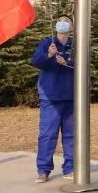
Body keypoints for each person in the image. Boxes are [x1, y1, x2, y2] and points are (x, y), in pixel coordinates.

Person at [29, 14, 75, 183]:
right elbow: (36, 62)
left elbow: (84, 65)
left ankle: (71, 168)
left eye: (66, 21)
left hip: (72, 97)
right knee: (47, 135)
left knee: (71, 135)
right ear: (55, 26)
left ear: (72, 27)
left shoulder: (76, 45)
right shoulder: (47, 43)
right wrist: (49, 55)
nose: (62, 23)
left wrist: (68, 63)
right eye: (59, 21)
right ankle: (43, 170)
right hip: (51, 97)